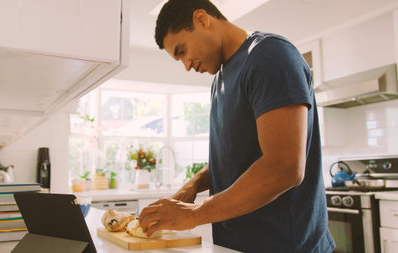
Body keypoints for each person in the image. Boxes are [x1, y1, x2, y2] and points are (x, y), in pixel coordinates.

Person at [138, 0, 336, 252]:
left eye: (182, 50)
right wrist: (193, 186)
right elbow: (236, 158)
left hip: (288, 246)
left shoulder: (269, 56)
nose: (186, 65)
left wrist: (195, 213)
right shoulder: (219, 79)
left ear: (202, 19)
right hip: (235, 245)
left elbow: (284, 167)